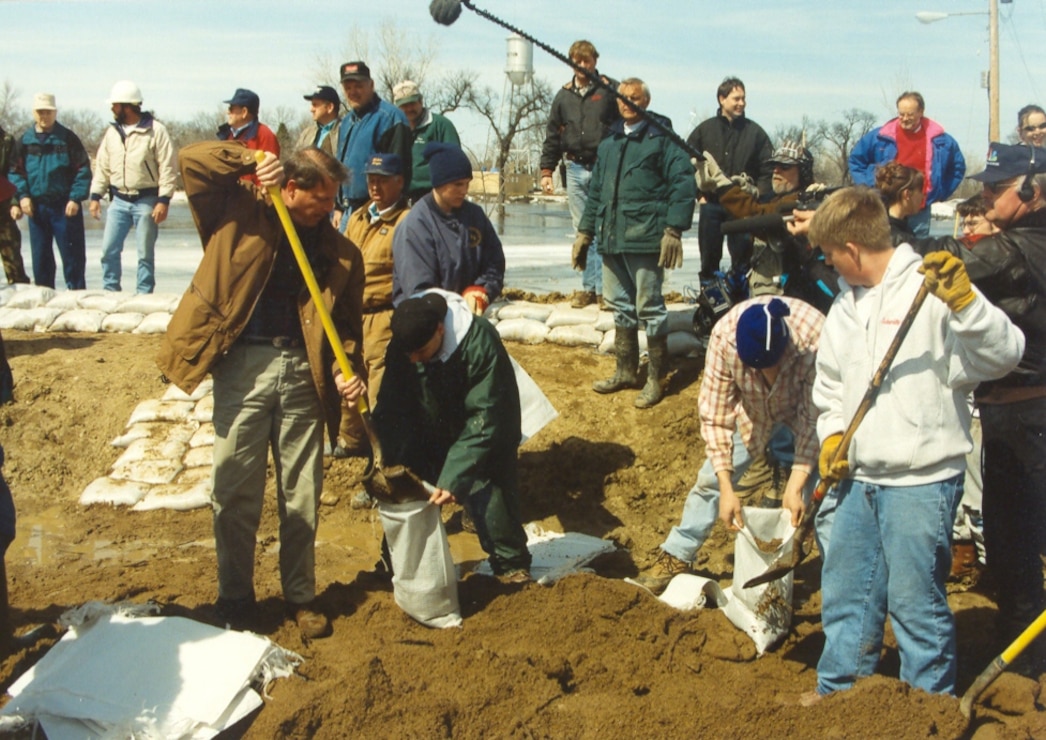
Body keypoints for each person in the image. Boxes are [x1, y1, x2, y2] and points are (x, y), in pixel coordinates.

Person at [802, 186, 1023, 702]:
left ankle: (926, 707)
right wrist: (834, 434)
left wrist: (967, 305)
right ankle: (839, 692)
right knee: (847, 595)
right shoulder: (845, 307)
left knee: (915, 604)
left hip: (921, 482)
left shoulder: (932, 293)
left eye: (830, 253)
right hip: (859, 479)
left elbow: (1005, 354)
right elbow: (830, 386)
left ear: (851, 248)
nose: (828, 262)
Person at [157, 142, 366, 639]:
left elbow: (347, 328)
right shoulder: (239, 216)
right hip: (243, 368)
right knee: (234, 491)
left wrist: (346, 369)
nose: (327, 210)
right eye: (318, 200)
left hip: (303, 373)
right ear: (289, 188)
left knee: (302, 493)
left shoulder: (341, 253)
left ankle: (301, 596)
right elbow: (192, 163)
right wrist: (250, 160)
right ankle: (235, 597)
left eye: (333, 200)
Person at [906, 142, 1046, 670]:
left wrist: (883, 232)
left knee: (1015, 538)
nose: (985, 194)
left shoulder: (1017, 247)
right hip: (1020, 410)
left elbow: (946, 257)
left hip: (1024, 413)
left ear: (1030, 191)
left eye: (998, 186)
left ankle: (1025, 661)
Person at [634, 295, 825, 593]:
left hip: (803, 413)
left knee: (825, 494)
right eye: (758, 369)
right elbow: (716, 417)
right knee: (709, 480)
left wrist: (796, 483)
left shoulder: (815, 340)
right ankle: (677, 554)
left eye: (772, 366)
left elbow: (814, 420)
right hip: (753, 412)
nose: (767, 376)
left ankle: (835, 570)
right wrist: (726, 487)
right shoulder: (724, 340)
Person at [368, 289, 531, 582]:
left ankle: (511, 568)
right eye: (410, 354)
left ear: (440, 330)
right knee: (406, 489)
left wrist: (454, 475)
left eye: (421, 352)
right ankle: (394, 563)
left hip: (485, 434)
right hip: (430, 428)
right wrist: (388, 455)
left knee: (489, 494)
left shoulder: (479, 342)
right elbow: (392, 403)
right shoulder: (406, 344)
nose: (415, 360)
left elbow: (487, 416)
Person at [574, 77, 696, 408]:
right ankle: (626, 370)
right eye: (621, 97)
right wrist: (586, 232)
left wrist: (673, 230)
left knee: (650, 308)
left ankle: (656, 378)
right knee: (620, 306)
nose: (626, 101)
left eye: (635, 97)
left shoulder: (662, 138)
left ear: (646, 101)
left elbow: (683, 184)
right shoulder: (610, 141)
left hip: (646, 238)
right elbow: (596, 190)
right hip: (611, 238)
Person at [694, 138, 838, 313]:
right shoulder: (777, 198)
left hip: (782, 296)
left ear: (803, 173)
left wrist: (722, 184)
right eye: (774, 166)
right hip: (761, 286)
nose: (776, 171)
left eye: (785, 167)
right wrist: (742, 189)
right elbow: (763, 207)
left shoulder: (803, 202)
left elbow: (758, 214)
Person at [333, 152, 410, 466]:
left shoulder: (406, 221)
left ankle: (381, 458)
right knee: (350, 376)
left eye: (382, 180)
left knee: (378, 389)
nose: (375, 187)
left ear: (399, 182)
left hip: (383, 315)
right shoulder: (360, 216)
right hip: (352, 314)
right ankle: (351, 440)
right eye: (370, 180)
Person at [539, 40, 619, 308]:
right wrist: (546, 170)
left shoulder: (609, 90)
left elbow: (625, 123)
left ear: (595, 61)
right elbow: (552, 134)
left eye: (587, 61)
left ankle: (605, 291)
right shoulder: (563, 97)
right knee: (582, 230)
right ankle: (588, 288)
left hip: (602, 166)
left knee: (603, 227)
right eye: (577, 60)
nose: (582, 66)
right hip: (573, 168)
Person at [392, 141, 504, 314]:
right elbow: (420, 292)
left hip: (468, 316)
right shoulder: (415, 225)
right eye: (458, 184)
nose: (464, 190)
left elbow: (494, 263)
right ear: (439, 183)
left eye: (467, 183)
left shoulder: (475, 216)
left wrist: (482, 291)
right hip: (427, 324)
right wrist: (458, 305)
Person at [89, 81, 176, 294]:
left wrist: (164, 200)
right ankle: (110, 291)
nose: (112, 109)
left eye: (115, 105)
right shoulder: (112, 133)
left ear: (127, 106)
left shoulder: (156, 131)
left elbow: (168, 166)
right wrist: (95, 195)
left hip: (146, 200)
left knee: (144, 253)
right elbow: (103, 165)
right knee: (109, 250)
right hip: (118, 200)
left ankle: (144, 293)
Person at [686, 77, 773, 282]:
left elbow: (767, 168)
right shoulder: (704, 131)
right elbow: (684, 165)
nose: (741, 103)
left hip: (741, 206)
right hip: (711, 205)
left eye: (743, 98)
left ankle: (739, 303)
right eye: (736, 98)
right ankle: (710, 304)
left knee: (742, 260)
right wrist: (699, 195)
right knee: (708, 260)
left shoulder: (756, 133)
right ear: (721, 99)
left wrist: (758, 196)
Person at [848, 91, 965, 237]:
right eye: (901, 114)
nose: (904, 119)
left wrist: (940, 192)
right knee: (883, 249)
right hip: (886, 206)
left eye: (910, 114)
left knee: (917, 251)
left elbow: (957, 168)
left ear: (921, 112)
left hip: (920, 210)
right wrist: (869, 187)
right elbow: (856, 160)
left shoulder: (942, 141)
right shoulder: (880, 137)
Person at [8, 93, 91, 290]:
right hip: (36, 208)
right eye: (40, 112)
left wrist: (75, 198)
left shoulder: (68, 139)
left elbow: (83, 170)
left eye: (48, 112)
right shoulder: (25, 142)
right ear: (34, 113)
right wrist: (23, 196)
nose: (44, 116)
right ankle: (45, 300)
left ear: (55, 113)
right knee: (41, 260)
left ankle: (77, 298)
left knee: (73, 260)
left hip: (64, 207)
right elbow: (15, 172)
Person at [334, 61, 412, 226]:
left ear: (371, 85)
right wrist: (338, 207)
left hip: (375, 213)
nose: (352, 92)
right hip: (347, 212)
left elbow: (399, 174)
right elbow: (340, 166)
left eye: (358, 86)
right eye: (348, 87)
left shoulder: (391, 118)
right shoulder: (347, 122)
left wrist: (384, 213)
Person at [393, 80, 461, 204]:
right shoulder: (394, 129)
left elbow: (455, 165)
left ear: (420, 101)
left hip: (432, 197)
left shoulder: (440, 125)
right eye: (404, 105)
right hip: (401, 199)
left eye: (412, 103)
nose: (409, 109)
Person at [217, 88, 280, 187]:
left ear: (244, 112)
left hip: (254, 199)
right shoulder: (227, 135)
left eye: (231, 108)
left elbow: (268, 174)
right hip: (230, 197)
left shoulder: (265, 135)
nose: (227, 112)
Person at [0, 124, 30, 285]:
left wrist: (14, 203)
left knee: (12, 256)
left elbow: (13, 173)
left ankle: (20, 292)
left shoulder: (6, 141)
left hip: (3, 205)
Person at [874, 161, 924, 245]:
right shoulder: (889, 235)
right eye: (920, 191)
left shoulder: (904, 228)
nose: (923, 196)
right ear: (907, 194)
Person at [296, 85, 342, 157]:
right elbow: (295, 160)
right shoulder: (307, 134)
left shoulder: (345, 132)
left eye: (315, 105)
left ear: (330, 107)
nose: (311, 110)